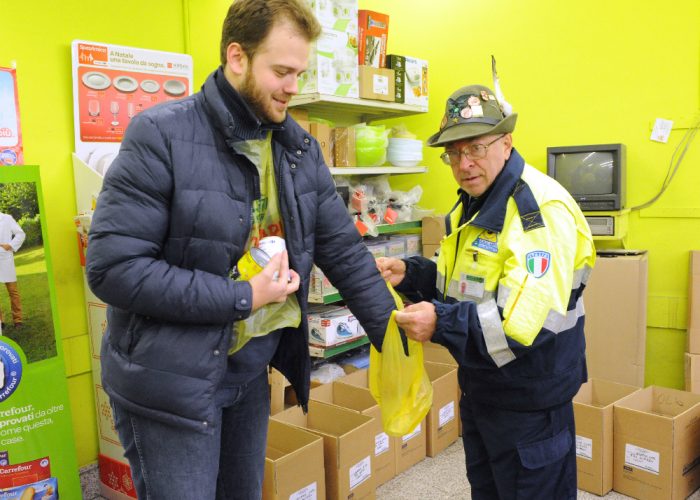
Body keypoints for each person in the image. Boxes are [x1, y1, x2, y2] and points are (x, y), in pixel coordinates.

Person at [85, 1, 395, 498]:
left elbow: (345, 253)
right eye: (281, 71)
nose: (293, 86)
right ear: (237, 57)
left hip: (249, 373)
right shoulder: (160, 134)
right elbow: (113, 270)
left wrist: (394, 337)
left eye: (300, 72)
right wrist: (243, 296)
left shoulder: (296, 150)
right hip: (170, 381)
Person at [377, 84, 596, 499]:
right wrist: (409, 274)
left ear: (506, 141)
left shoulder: (537, 213)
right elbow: (460, 286)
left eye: (475, 148)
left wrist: (439, 322)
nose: (464, 164)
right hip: (484, 387)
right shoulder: (475, 202)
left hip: (529, 400)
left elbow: (520, 325)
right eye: (453, 153)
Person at [0, 211, 25, 331]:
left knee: (13, 291)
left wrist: (10, 245)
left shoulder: (6, 218)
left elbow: (21, 234)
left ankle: (18, 320)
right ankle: (0, 322)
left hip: (5, 259)